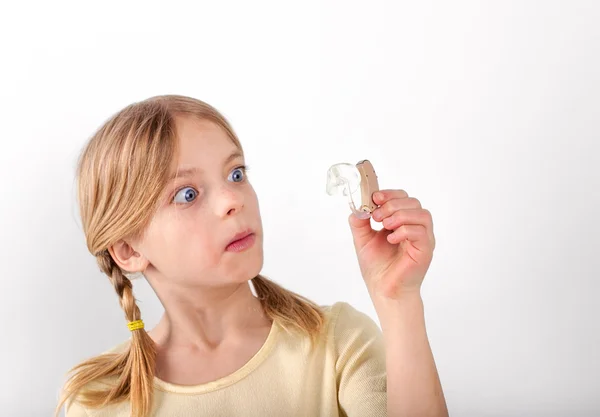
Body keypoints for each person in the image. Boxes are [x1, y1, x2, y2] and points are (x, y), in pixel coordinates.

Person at [55, 95, 449, 417]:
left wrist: (398, 301)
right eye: (187, 194)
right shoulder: (96, 401)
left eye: (236, 174)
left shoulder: (338, 343)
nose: (232, 200)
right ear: (128, 249)